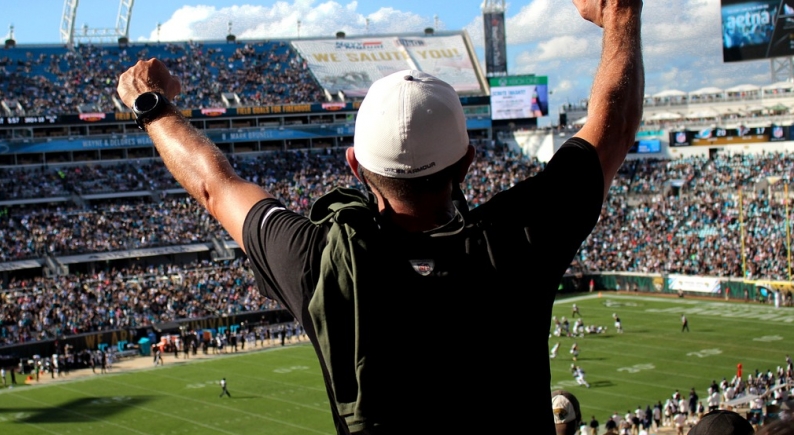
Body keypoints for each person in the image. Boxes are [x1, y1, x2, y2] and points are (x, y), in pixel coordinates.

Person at [114, 0, 643, 431]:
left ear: (355, 165)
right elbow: (612, 128)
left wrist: (153, 108)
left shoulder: (316, 258)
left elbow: (214, 185)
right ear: (466, 162)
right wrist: (619, 15)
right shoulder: (518, 239)